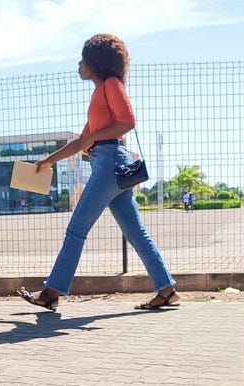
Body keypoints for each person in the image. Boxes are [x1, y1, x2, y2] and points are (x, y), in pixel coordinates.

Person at [16, 34, 177, 312]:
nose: (78, 65)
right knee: (136, 233)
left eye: (82, 60)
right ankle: (166, 290)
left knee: (77, 228)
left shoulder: (111, 85)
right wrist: (48, 161)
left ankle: (51, 292)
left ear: (95, 62)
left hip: (110, 162)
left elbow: (127, 122)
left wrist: (94, 139)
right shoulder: (99, 92)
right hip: (107, 162)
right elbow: (82, 141)